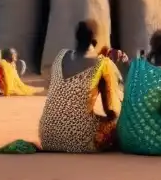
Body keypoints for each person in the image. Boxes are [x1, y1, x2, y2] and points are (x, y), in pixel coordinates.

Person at [39, 20, 123, 153]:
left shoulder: (60, 56)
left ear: (76, 37)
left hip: (47, 137)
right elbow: (111, 110)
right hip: (78, 140)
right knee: (119, 123)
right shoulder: (102, 64)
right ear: (95, 40)